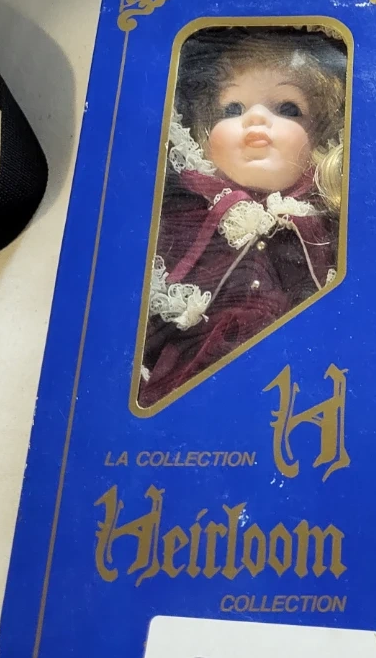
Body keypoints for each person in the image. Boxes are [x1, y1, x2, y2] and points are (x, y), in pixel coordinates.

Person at [137, 26, 346, 410]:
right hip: (191, 384)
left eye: (287, 109)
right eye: (233, 109)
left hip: (298, 386)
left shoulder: (328, 225)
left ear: (320, 135)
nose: (256, 120)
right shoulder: (182, 218)